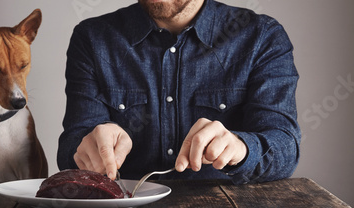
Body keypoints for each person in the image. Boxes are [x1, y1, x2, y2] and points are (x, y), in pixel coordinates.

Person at [58, 0, 300, 184]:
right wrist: (89, 146)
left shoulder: (262, 37)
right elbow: (71, 147)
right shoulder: (92, 38)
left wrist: (241, 148)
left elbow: (285, 148)